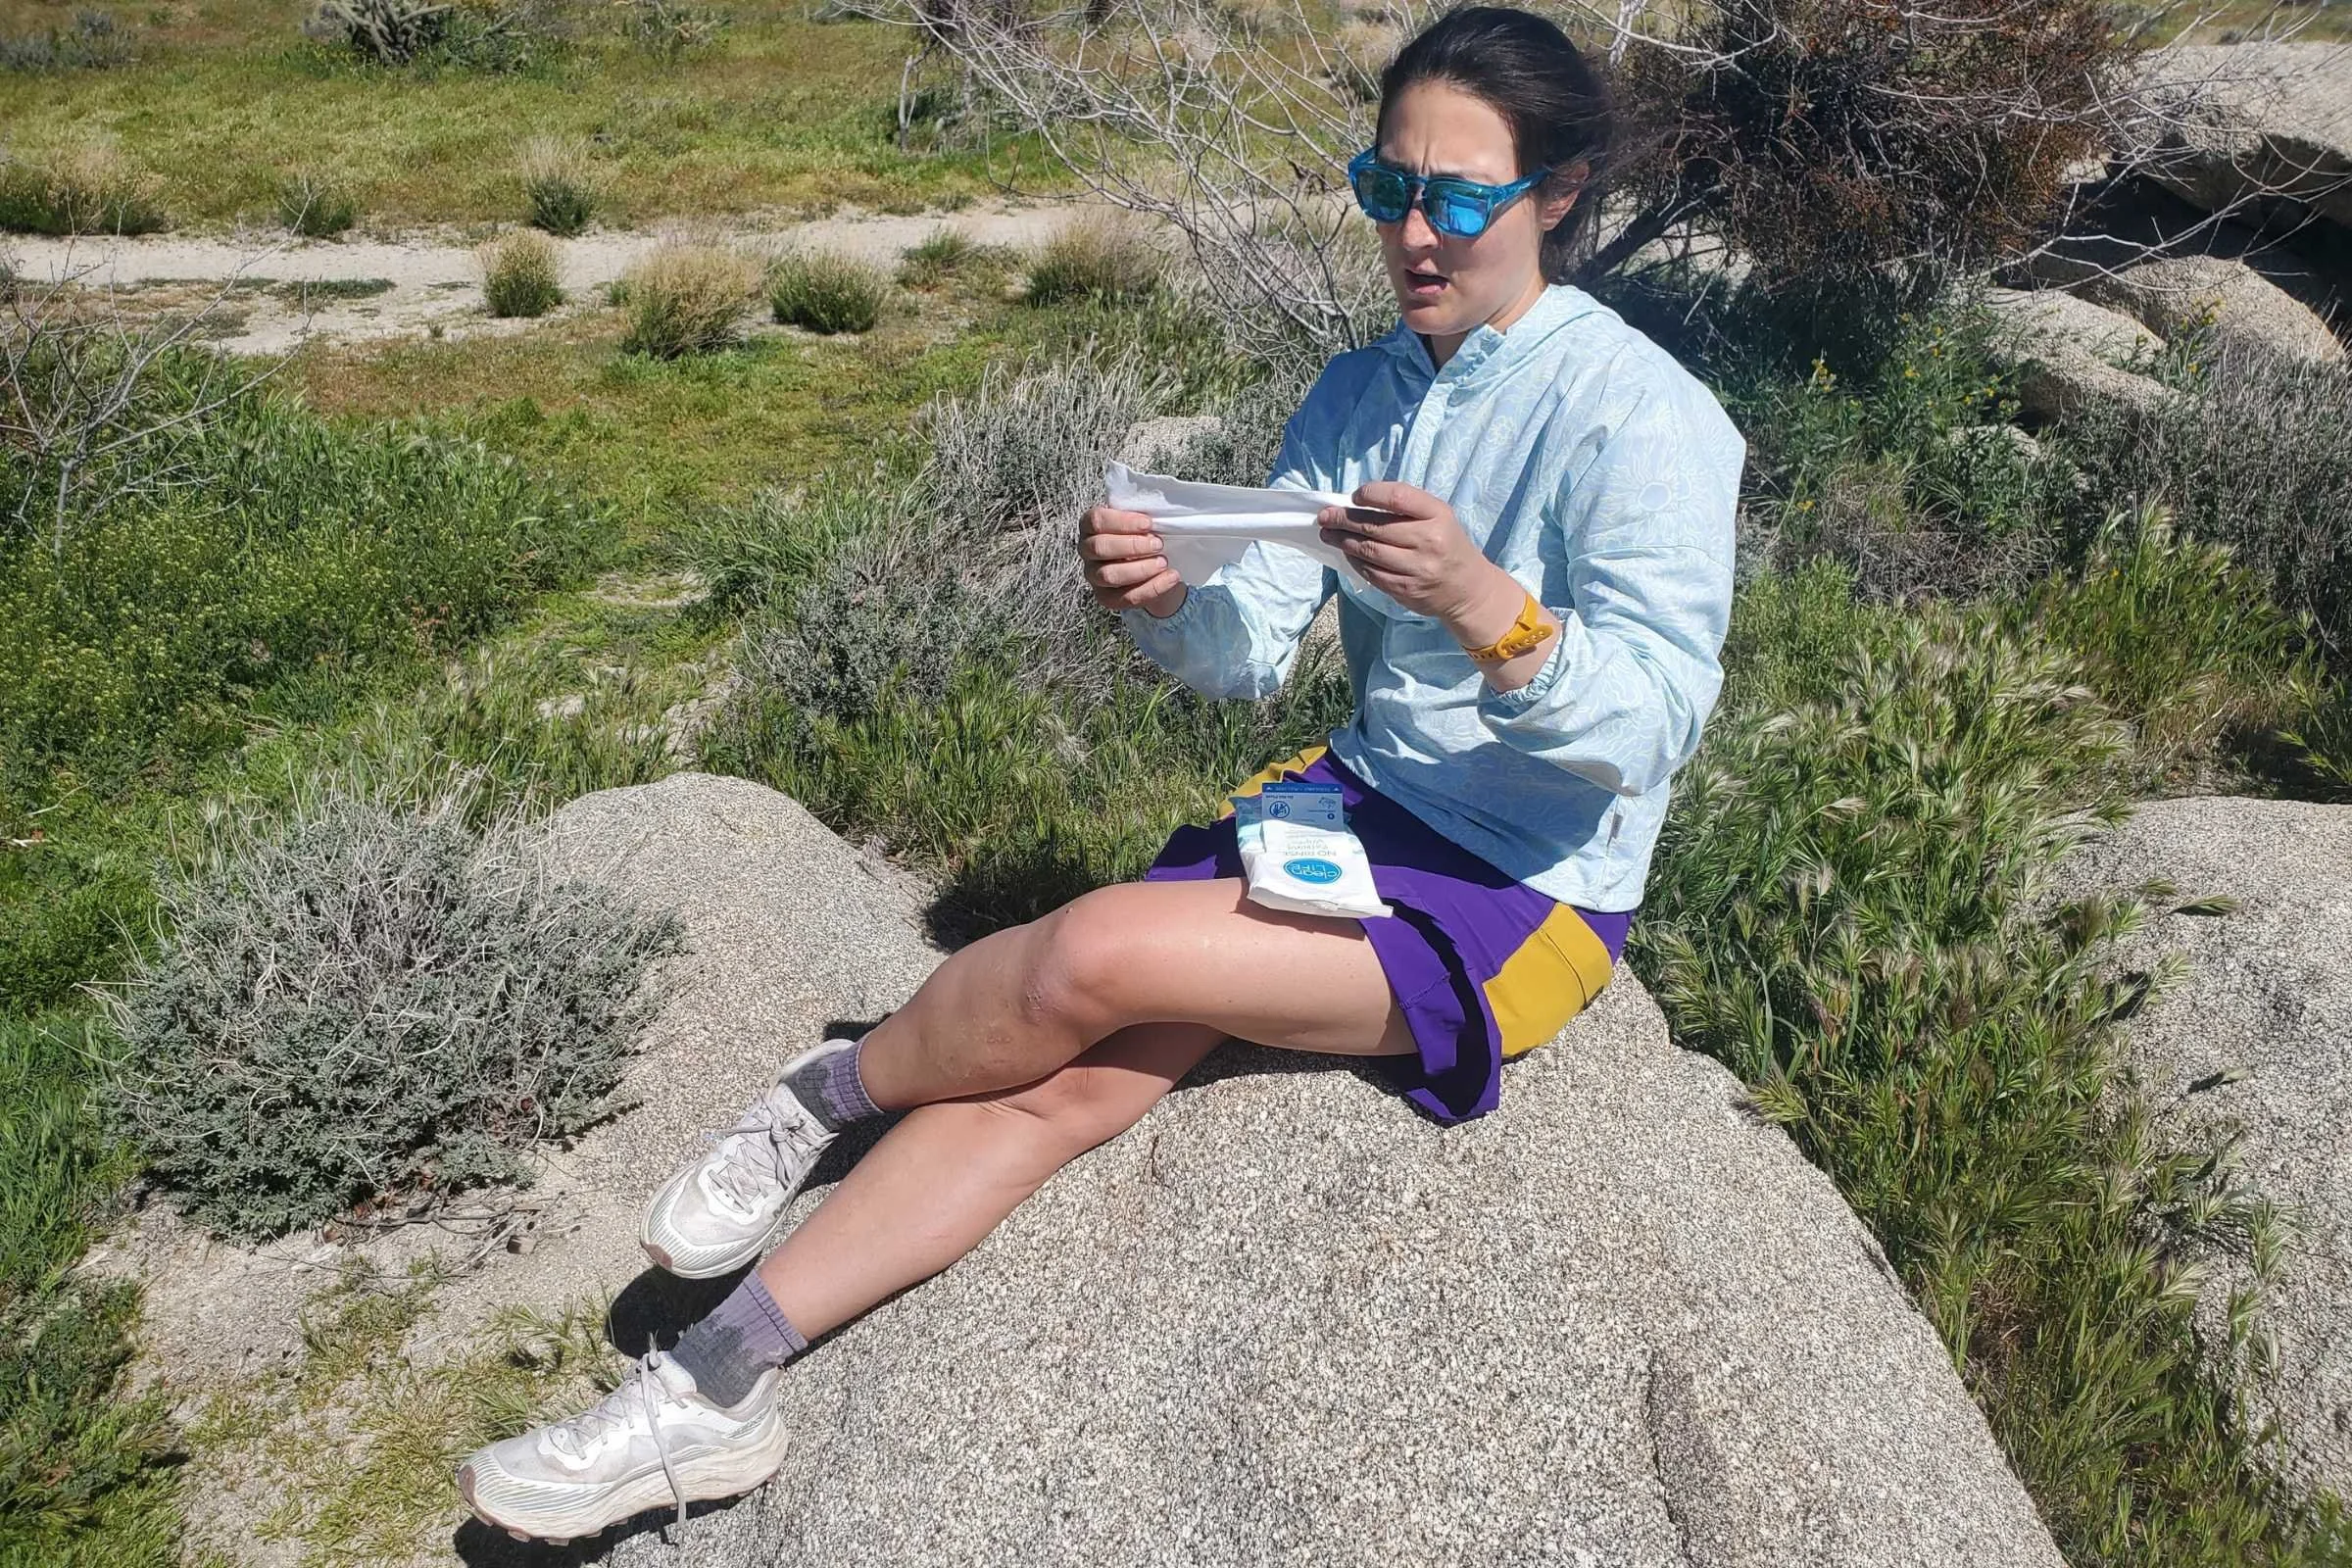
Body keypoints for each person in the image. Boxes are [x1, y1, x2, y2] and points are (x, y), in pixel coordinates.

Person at [454, 3, 1743, 1544]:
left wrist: (1491, 612)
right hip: (1359, 803)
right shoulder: (1360, 395)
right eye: (1383, 185)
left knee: (1096, 949)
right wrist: (1161, 604)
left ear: (1560, 196)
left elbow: (1654, 725)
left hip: (1520, 885)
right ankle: (712, 1391)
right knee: (1071, 1084)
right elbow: (1245, 649)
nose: (1413, 231)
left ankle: (827, 1088)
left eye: (1457, 198)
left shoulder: (1647, 419)